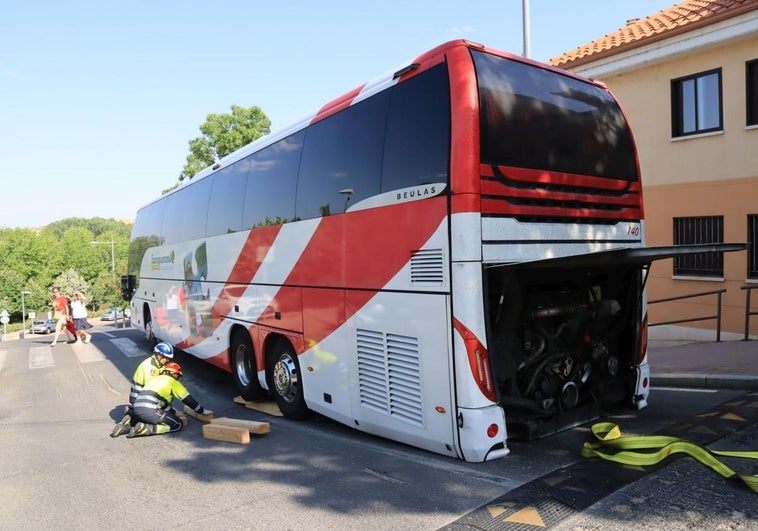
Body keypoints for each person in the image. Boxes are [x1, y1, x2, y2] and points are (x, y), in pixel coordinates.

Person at [121, 361, 208, 438]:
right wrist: (201, 411)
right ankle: (147, 429)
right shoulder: (173, 382)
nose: (178, 378)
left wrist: (173, 413)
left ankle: (131, 420)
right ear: (174, 374)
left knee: (151, 415)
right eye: (178, 376)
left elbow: (162, 404)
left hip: (137, 406)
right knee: (177, 424)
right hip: (149, 409)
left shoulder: (154, 379)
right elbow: (189, 400)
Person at [110, 342, 174, 437]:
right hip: (142, 401)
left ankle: (131, 417)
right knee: (167, 417)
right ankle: (136, 421)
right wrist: (169, 410)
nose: (167, 360)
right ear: (159, 355)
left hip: (137, 399)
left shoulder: (151, 363)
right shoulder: (151, 369)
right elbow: (155, 394)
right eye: (166, 357)